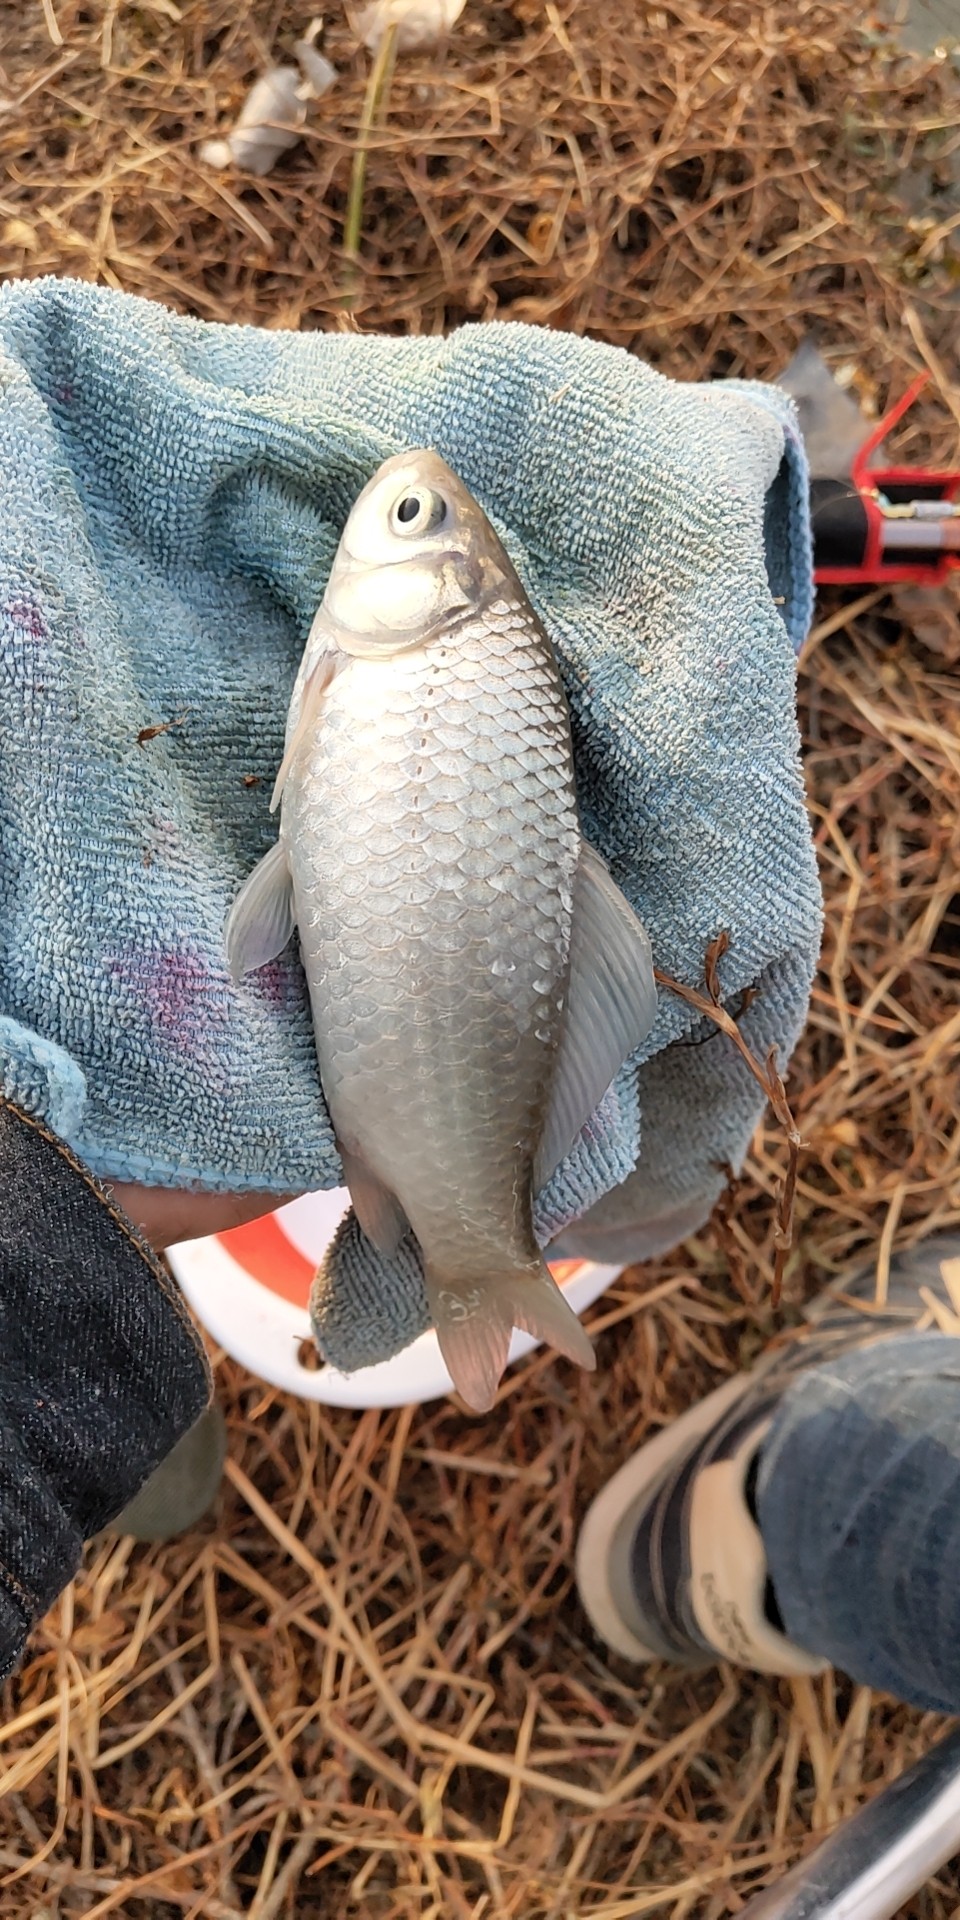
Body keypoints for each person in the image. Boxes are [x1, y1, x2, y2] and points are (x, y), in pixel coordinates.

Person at [2, 276, 956, 1719]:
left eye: (412, 521)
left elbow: (290, 885)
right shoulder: (429, 654)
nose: (406, 500)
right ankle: (532, 1313)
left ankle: (492, 1269)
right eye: (417, 516)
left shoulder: (414, 659)